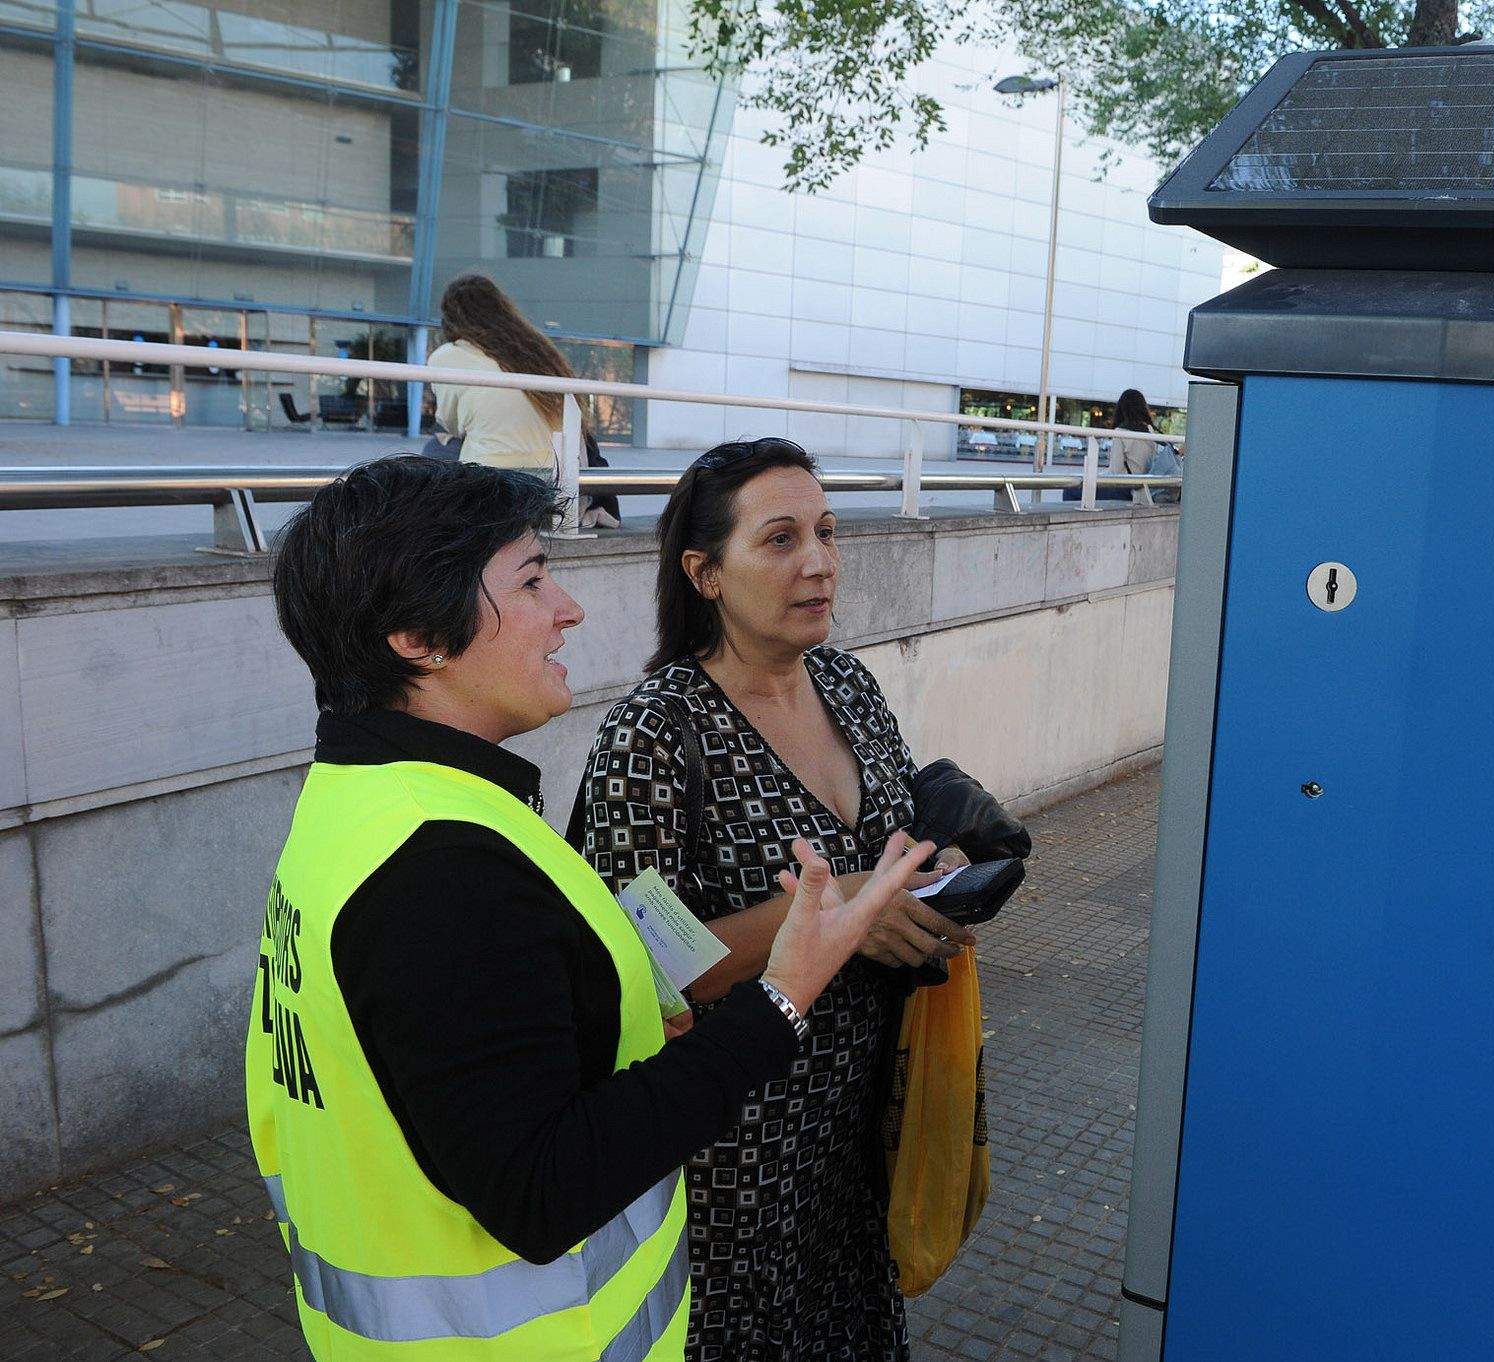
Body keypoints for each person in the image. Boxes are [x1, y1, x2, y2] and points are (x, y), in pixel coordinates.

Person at [247, 454, 932, 1361]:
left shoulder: (376, 806)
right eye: (532, 580)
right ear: (418, 635)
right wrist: (782, 994)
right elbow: (542, 1187)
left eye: (826, 532)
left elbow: (493, 1048)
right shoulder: (442, 864)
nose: (567, 609)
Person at [577, 438, 977, 1362]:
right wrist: (838, 917)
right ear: (705, 573)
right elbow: (637, 973)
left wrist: (937, 866)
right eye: (782, 538)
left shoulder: (846, 682)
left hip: (859, 1134)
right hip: (732, 1159)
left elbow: (893, 837)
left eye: (827, 533)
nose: (821, 562)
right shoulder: (654, 732)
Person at [428, 272, 618, 525]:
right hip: (560, 490)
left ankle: (438, 527)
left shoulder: (448, 355)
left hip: (494, 489)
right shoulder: (537, 350)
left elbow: (450, 423)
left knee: (436, 447)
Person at [1111, 387, 1161, 504]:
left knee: (1073, 491)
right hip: (1146, 487)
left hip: (1127, 488)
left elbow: (1115, 470)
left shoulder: (1120, 432)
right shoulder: (1150, 429)